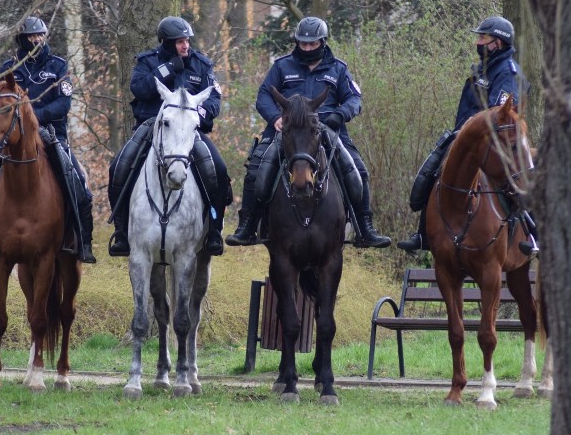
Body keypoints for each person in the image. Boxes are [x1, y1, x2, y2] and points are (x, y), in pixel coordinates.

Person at [226, 16, 391, 248]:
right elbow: (263, 95)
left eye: (312, 44)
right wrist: (275, 118)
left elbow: (354, 99)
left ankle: (365, 229)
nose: (307, 48)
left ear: (322, 42)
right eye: (303, 44)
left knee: (358, 170)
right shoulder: (281, 66)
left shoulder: (339, 69)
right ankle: (248, 226)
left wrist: (340, 115)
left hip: (327, 129)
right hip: (287, 130)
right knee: (255, 169)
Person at [0, 16, 97, 264]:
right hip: (12, 139)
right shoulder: (9, 67)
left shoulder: (59, 66)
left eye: (39, 35)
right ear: (22, 39)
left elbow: (63, 104)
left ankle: (81, 239)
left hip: (51, 135)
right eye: (31, 36)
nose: (36, 40)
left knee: (78, 184)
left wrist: (32, 117)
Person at [397, 15, 537, 255]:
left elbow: (497, 114)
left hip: (497, 140)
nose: (479, 42)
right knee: (432, 171)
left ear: (498, 43)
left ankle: (534, 237)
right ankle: (423, 235)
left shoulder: (509, 73)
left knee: (516, 180)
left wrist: (471, 133)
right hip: (464, 135)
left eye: (483, 37)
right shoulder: (481, 69)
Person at [107, 16, 230, 257]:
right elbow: (139, 89)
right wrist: (169, 68)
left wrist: (199, 112)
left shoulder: (201, 64)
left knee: (219, 169)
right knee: (118, 167)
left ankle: (214, 231)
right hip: (151, 126)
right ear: (166, 43)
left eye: (187, 40)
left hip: (188, 129)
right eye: (179, 42)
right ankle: (122, 232)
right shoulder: (147, 61)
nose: (185, 45)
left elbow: (214, 99)